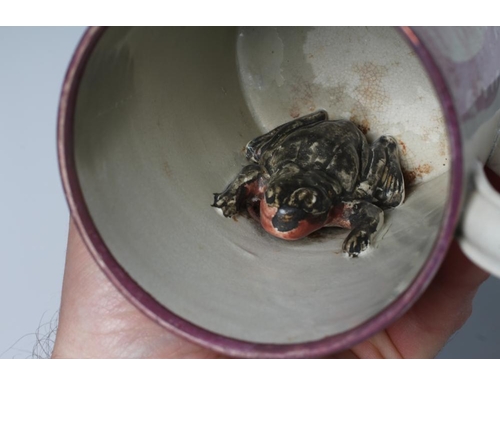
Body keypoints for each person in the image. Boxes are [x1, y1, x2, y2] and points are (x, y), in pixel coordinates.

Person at [52, 170, 500, 359]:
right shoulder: (268, 188)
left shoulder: (339, 206)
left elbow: (370, 210)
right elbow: (254, 179)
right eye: (272, 202)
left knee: (387, 194)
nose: (280, 214)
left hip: (342, 183)